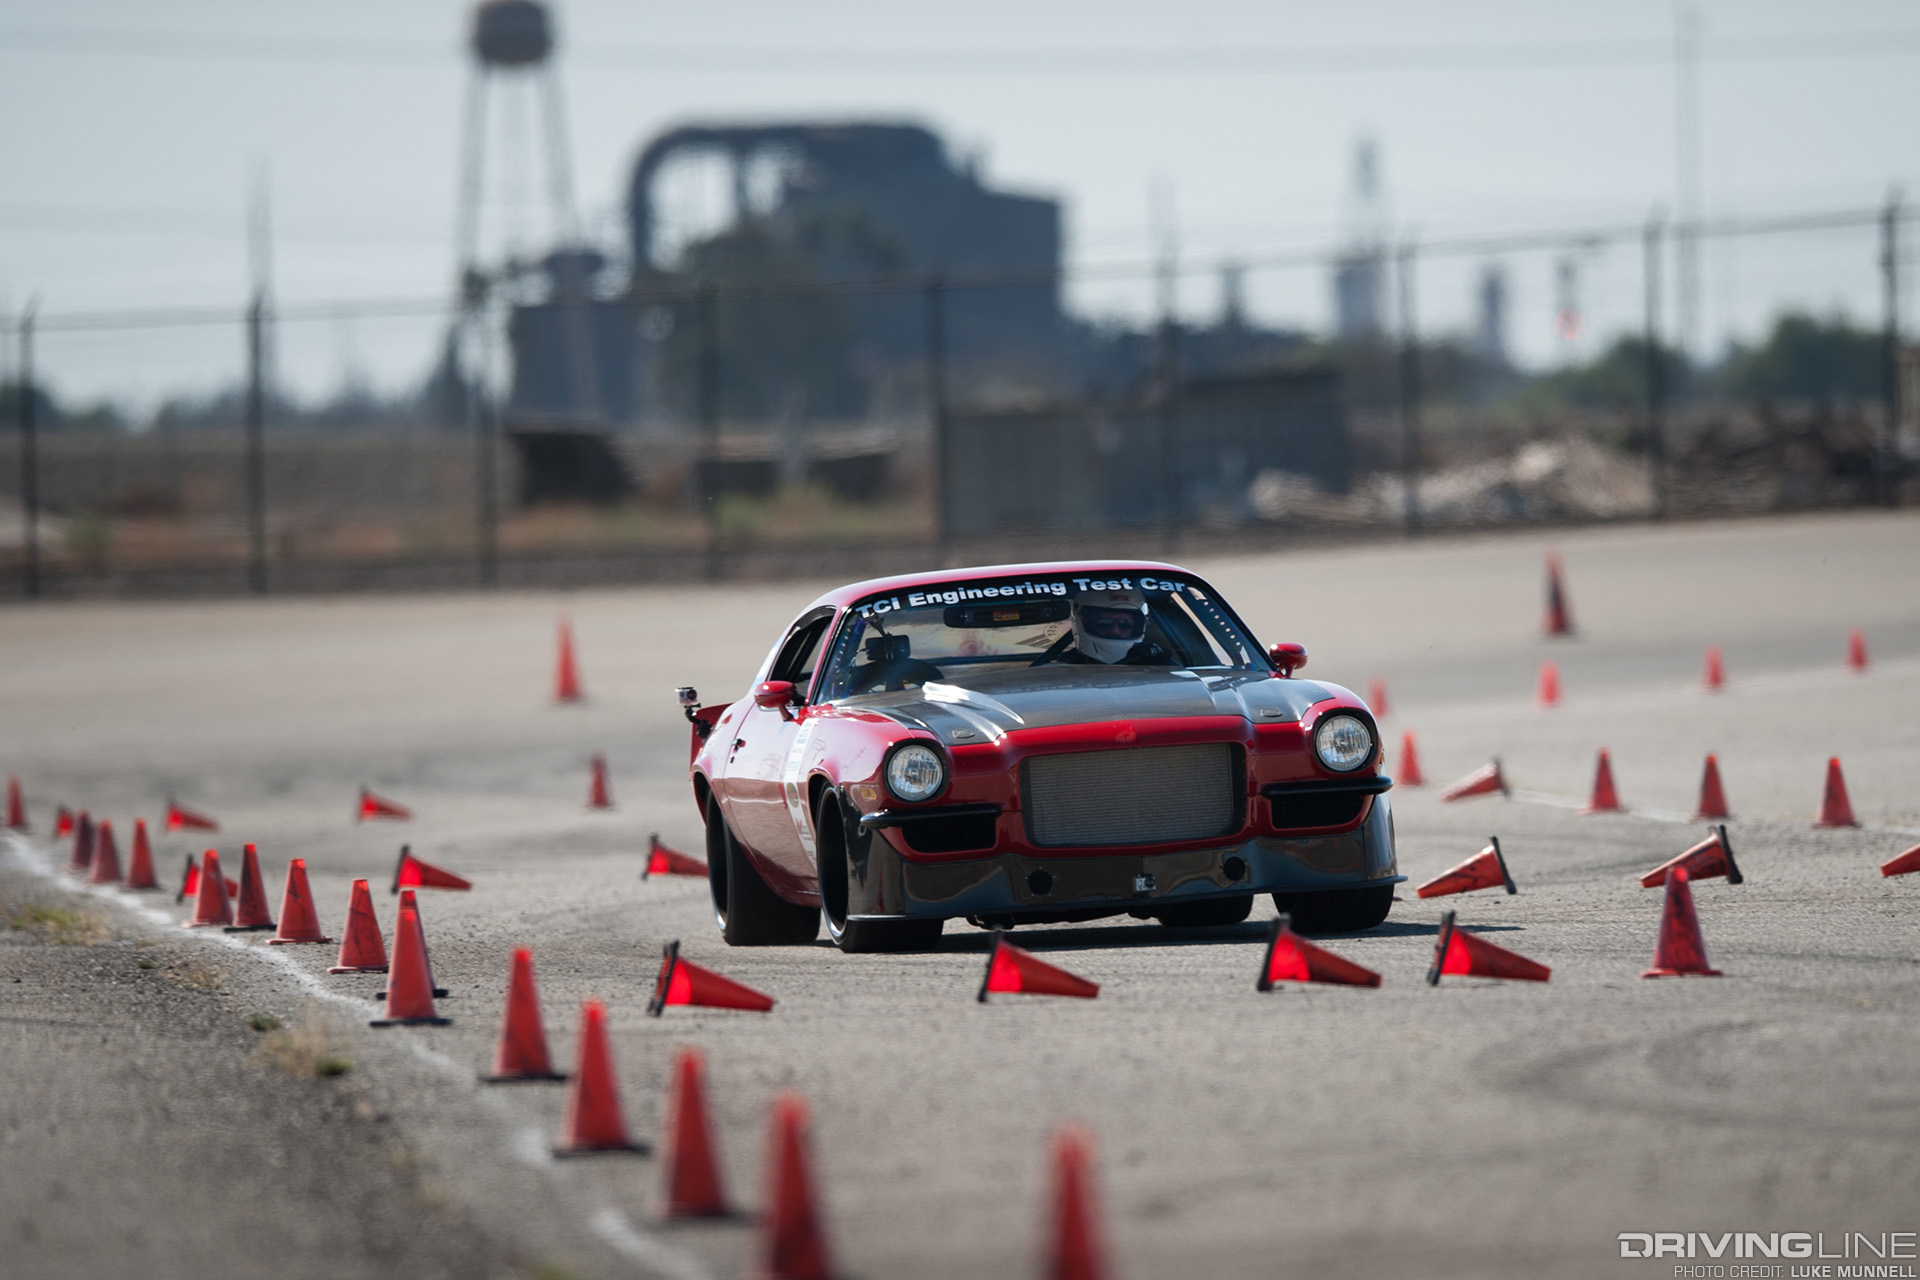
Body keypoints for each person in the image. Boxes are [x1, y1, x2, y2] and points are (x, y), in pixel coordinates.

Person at [1063, 589, 1170, 665]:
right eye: (1104, 624)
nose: (1115, 631)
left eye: (1125, 624)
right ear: (1084, 623)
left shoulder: (1154, 662)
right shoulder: (1064, 671)